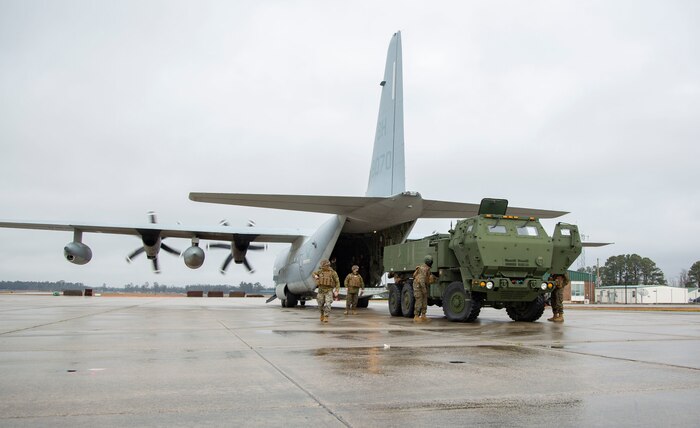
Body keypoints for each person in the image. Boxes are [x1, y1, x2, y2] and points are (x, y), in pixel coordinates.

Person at [313, 259, 340, 323]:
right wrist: (315, 276)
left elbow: (337, 282)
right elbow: (313, 273)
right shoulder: (320, 271)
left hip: (329, 290)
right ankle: (322, 314)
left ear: (328, 265)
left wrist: (337, 290)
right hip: (321, 290)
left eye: (324, 266)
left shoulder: (333, 272)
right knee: (320, 304)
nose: (323, 267)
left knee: (328, 304)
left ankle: (326, 316)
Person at [412, 255, 434, 322]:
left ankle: (423, 315)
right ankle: (416, 316)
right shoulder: (423, 269)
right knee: (419, 300)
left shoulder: (427, 269)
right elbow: (421, 281)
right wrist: (424, 290)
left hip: (422, 286)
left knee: (424, 301)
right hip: (418, 287)